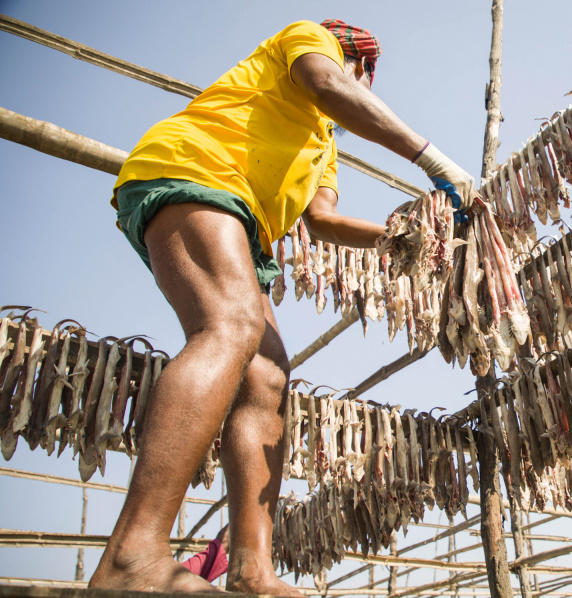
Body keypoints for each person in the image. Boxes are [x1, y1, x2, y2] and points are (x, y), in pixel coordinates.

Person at [89, 19, 475, 596]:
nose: (365, 91)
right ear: (359, 65)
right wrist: (432, 159)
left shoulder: (322, 141)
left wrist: (401, 239)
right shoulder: (308, 41)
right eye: (365, 81)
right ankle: (133, 555)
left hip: (243, 221)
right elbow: (325, 81)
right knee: (230, 325)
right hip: (194, 169)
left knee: (267, 377)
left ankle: (251, 571)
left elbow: (320, 221)